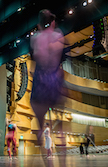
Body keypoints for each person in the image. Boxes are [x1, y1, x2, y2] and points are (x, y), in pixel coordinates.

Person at [30, 9, 64, 146]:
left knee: (38, 109)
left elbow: (37, 55)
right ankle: (60, 130)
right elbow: (57, 53)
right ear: (52, 22)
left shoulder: (35, 38)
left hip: (40, 77)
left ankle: (39, 128)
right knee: (58, 106)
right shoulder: (58, 35)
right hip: (53, 76)